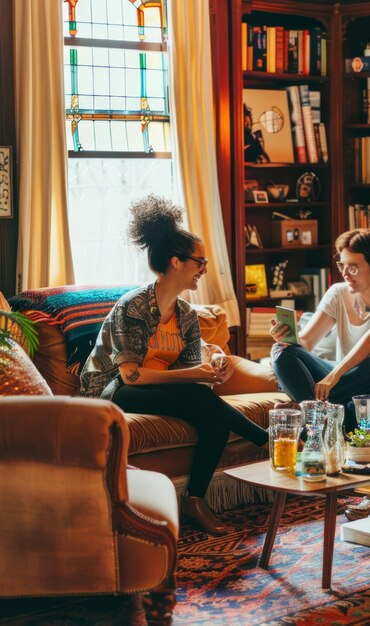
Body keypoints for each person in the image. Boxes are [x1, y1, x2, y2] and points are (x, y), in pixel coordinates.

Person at [80, 195, 268, 536]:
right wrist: (196, 375)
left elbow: (193, 371)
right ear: (176, 261)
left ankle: (194, 500)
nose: (204, 268)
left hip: (156, 390)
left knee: (212, 418)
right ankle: (265, 440)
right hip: (112, 392)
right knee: (200, 401)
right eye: (200, 261)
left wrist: (216, 365)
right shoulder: (134, 307)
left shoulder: (185, 314)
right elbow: (129, 375)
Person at [270, 228, 370, 432]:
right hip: (348, 384)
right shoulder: (338, 293)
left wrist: (334, 376)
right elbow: (307, 342)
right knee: (281, 351)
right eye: (343, 265)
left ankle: (308, 411)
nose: (345, 273)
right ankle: (317, 413)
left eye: (354, 267)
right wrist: (286, 336)